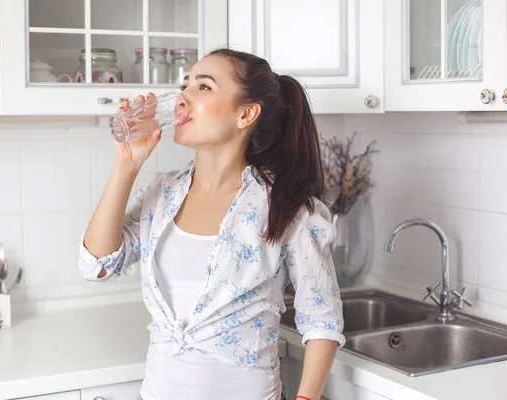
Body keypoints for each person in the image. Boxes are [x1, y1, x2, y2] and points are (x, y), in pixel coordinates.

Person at [79, 48, 345, 400]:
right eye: (184, 84)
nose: (182, 98)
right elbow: (97, 264)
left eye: (203, 87)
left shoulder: (287, 207)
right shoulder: (163, 194)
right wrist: (126, 165)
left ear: (246, 113)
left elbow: (321, 320)